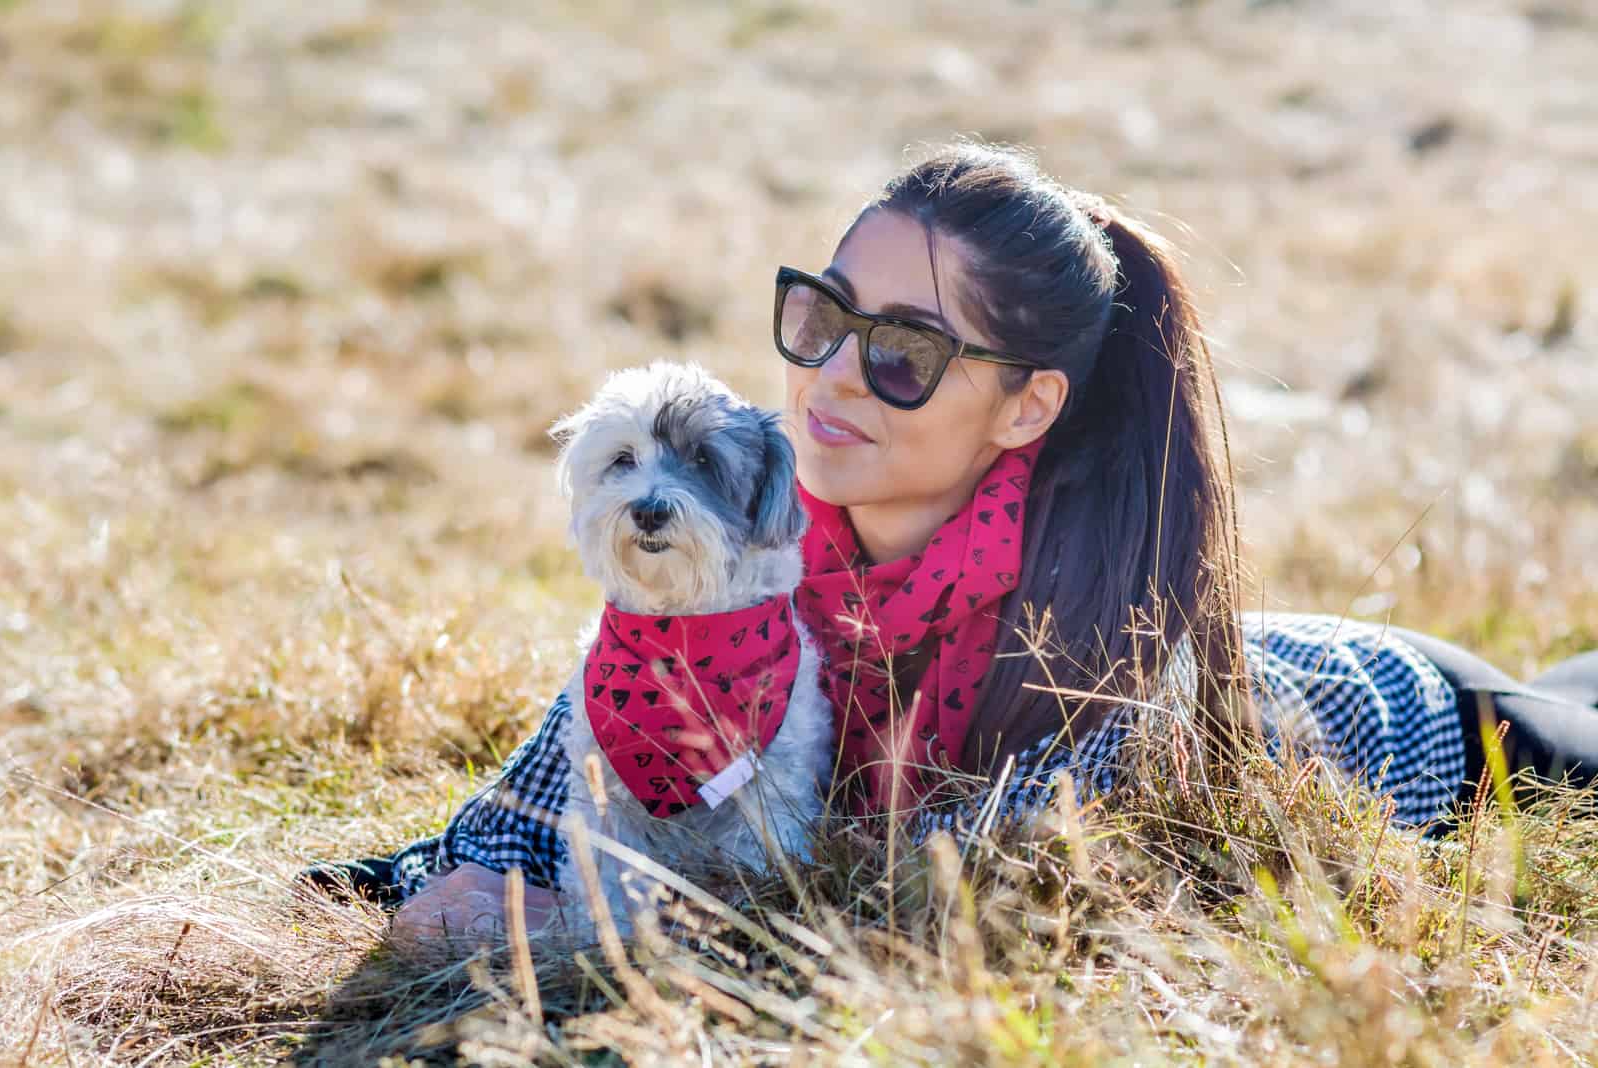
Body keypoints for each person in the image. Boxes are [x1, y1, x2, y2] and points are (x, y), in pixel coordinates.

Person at [300, 143, 1598, 941]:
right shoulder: (735, 569)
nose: (833, 379)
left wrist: (576, 927)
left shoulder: (1102, 657)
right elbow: (532, 810)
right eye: (823, 319)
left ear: (1027, 405)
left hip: (1423, 726)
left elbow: (914, 917)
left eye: (905, 353)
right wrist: (429, 888)